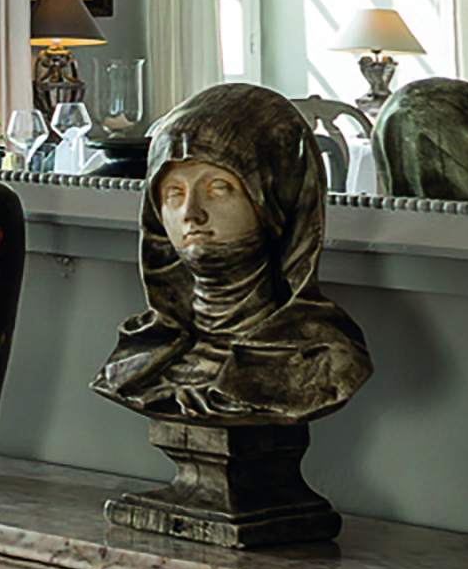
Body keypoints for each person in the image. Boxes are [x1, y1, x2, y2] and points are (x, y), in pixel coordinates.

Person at [91, 82, 374, 424]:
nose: (191, 213)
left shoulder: (321, 356)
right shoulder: (139, 361)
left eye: (218, 188)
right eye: (174, 193)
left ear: (274, 198)